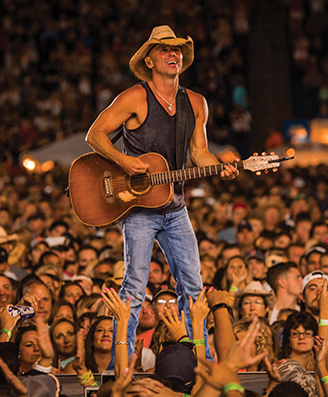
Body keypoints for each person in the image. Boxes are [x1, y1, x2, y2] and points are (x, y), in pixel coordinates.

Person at [84, 25, 238, 358]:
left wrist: (221, 165)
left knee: (193, 287)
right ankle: (119, 362)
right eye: (165, 50)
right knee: (135, 287)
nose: (174, 54)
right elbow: (94, 136)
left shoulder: (196, 102)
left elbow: (199, 153)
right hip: (138, 209)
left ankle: (198, 358)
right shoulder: (135, 97)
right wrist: (124, 161)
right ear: (150, 60)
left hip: (175, 208)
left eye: (178, 50)